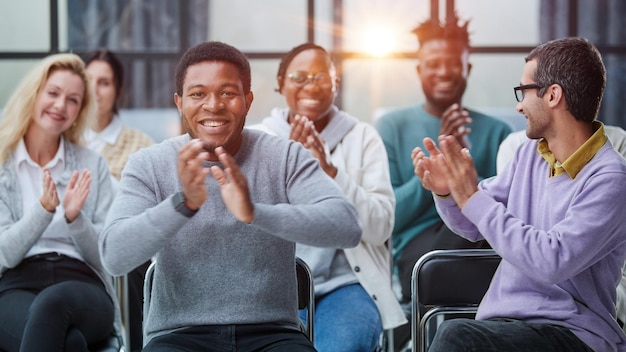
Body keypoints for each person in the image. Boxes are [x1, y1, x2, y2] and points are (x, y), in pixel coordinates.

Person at [98, 41, 362, 352]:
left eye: (227, 93)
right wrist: (182, 204)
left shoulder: (284, 155)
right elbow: (114, 256)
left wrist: (254, 212)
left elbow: (348, 226)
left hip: (273, 334)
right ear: (179, 103)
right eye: (198, 94)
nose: (214, 105)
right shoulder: (149, 164)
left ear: (248, 101)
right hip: (179, 336)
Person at [412, 37, 626, 351]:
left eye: (523, 91)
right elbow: (473, 225)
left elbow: (551, 261)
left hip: (573, 333)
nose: (519, 105)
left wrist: (471, 197)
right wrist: (447, 193)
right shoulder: (530, 154)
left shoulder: (611, 179)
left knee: (457, 337)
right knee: (459, 335)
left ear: (553, 95)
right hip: (504, 326)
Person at [250, 43, 407, 352]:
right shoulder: (257, 139)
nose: (311, 85)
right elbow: (248, 223)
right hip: (273, 287)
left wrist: (330, 171)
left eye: (322, 77)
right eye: (299, 76)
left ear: (336, 85)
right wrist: (287, 166)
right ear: (281, 83)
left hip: (347, 286)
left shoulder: (362, 137)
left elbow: (380, 227)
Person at [374, 15, 513, 308]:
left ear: (467, 68)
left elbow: (505, 212)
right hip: (421, 252)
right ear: (419, 70)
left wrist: (463, 172)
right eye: (433, 64)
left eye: (453, 64)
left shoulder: (498, 132)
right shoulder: (392, 126)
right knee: (445, 269)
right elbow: (388, 218)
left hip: (481, 244)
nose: (444, 72)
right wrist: (434, 173)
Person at [0, 53, 121, 351]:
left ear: (80, 111)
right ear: (34, 94)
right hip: (17, 283)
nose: (60, 106)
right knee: (71, 342)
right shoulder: (2, 163)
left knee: (53, 305)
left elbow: (108, 256)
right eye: (53, 93)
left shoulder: (92, 164)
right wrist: (43, 211)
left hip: (82, 284)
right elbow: (4, 254)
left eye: (73, 100)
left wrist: (75, 219)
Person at [83, 48, 154, 352]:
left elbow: (145, 213)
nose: (94, 91)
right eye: (88, 81)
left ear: (118, 91)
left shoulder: (140, 145)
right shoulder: (63, 140)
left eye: (104, 83)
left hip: (120, 251)